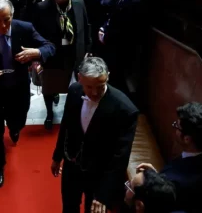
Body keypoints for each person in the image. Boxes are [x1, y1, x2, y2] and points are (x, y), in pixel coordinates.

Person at [0, 0, 55, 188]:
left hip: (19, 90)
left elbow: (50, 47)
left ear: (12, 16)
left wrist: (36, 53)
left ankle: (15, 129)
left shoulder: (24, 28)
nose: (3, 25)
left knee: (18, 121)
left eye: (6, 19)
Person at [51, 56, 139, 213]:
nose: (95, 92)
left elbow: (120, 157)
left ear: (108, 76)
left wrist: (105, 194)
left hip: (99, 175)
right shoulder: (74, 91)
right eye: (89, 87)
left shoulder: (126, 110)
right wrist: (57, 157)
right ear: (79, 78)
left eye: (100, 85)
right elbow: (66, 126)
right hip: (72, 166)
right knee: (69, 207)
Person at [31, 0, 92, 130]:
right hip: (53, 55)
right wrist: (38, 55)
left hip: (75, 53)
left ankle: (74, 113)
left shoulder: (79, 3)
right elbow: (36, 34)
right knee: (49, 86)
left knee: (78, 87)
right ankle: (50, 113)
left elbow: (86, 26)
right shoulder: (42, 8)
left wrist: (88, 49)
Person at [136, 102, 202, 213]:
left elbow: (157, 205)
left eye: (177, 126)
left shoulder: (178, 181)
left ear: (187, 139)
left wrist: (156, 181)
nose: (175, 127)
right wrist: (156, 177)